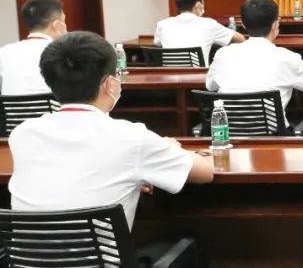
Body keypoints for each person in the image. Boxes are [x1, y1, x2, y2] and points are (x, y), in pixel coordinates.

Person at [9, 31, 214, 229]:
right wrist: (167, 149)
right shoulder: (132, 138)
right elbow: (205, 172)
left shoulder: (22, 134)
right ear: (110, 84)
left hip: (24, 254)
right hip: (101, 255)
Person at [206, 0, 303, 127]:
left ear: (243, 24)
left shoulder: (222, 54)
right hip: (273, 136)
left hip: (228, 134)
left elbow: (210, 86)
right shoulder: (287, 57)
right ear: (275, 25)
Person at [154, 0, 245, 66]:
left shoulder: (162, 24)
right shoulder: (209, 24)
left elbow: (157, 43)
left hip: (169, 78)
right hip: (198, 78)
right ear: (199, 4)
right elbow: (241, 39)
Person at [0, 0, 67, 95]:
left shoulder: (3, 52)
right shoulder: (64, 53)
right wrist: (67, 40)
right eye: (64, 21)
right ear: (57, 25)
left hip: (11, 106)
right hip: (53, 105)